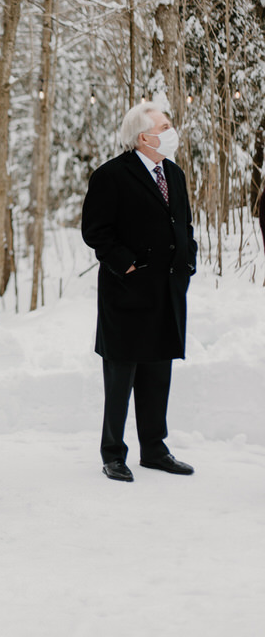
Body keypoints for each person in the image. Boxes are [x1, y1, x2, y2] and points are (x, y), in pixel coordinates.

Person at [81, 101, 197, 482]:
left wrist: (187, 261)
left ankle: (154, 448)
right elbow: (95, 232)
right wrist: (127, 264)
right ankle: (113, 453)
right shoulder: (111, 176)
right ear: (143, 136)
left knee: (157, 371)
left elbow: (185, 224)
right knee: (121, 376)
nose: (170, 130)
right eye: (164, 126)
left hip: (166, 291)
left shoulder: (174, 173)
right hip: (127, 293)